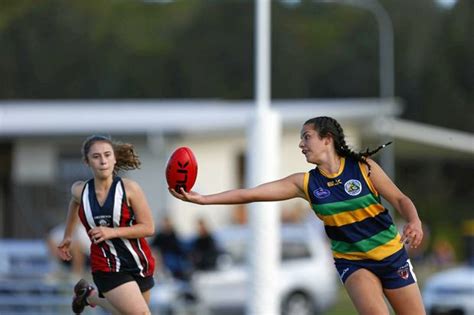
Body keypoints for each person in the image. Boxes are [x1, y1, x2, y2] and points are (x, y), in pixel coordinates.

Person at [170, 116, 426, 315]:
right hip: (354, 261)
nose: (301, 144)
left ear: (327, 139)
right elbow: (250, 194)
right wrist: (204, 199)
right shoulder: (305, 184)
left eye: (307, 137)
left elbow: (401, 199)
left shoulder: (363, 167)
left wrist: (414, 221)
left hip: (391, 256)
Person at [57, 135, 156, 315]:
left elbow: (148, 227)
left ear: (115, 158)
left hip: (139, 262)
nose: (103, 161)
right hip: (106, 265)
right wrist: (68, 236)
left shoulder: (130, 188)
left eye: (107, 155)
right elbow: (74, 202)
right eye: (96, 156)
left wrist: (112, 232)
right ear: (87, 162)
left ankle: (89, 296)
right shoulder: (81, 190)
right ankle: (90, 296)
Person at [151, 216, 191, 281]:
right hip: (162, 257)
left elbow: (179, 248)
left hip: (174, 258)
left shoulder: (174, 235)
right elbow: (153, 246)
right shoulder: (160, 236)